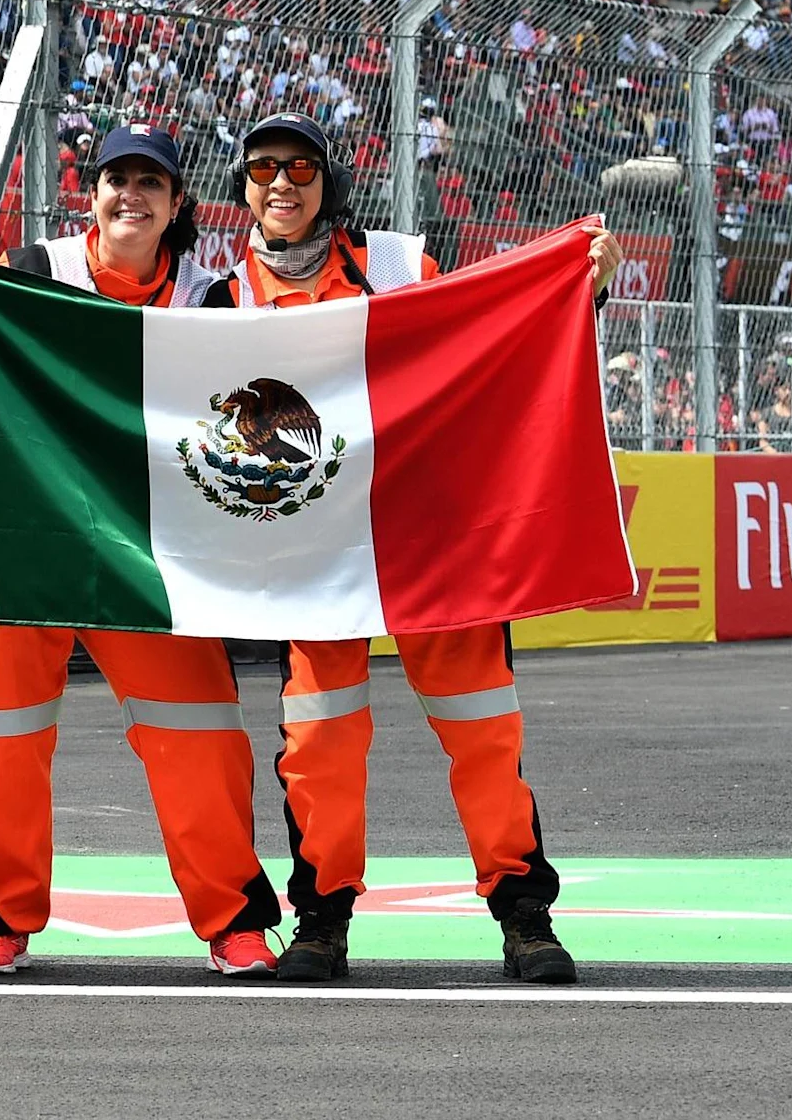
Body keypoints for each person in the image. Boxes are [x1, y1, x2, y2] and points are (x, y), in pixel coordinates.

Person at [192, 112, 614, 987]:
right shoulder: (220, 298)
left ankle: (524, 918)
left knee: (482, 732)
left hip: (431, 537)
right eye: (263, 167)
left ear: (329, 183)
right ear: (242, 187)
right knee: (320, 744)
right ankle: (323, 922)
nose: (281, 182)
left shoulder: (398, 265)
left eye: (300, 168)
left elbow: (490, 339)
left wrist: (581, 288)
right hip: (310, 556)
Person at [0, 125, 283, 978]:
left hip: (147, 554)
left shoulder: (213, 306)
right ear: (92, 194)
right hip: (1, 542)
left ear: (179, 204)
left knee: (201, 731)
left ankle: (233, 921)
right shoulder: (34, 271)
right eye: (116, 180)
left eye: (150, 182)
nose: (130, 196)